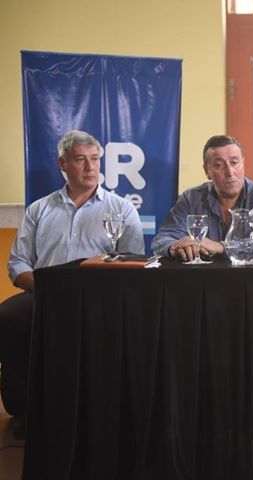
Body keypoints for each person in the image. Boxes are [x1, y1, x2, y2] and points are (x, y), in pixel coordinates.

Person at [0, 130, 145, 418]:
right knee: (7, 317)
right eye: (80, 159)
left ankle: (99, 410)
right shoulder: (39, 209)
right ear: (62, 164)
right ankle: (23, 410)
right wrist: (47, 289)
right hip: (44, 294)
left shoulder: (122, 209)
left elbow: (134, 262)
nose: (91, 167)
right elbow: (17, 263)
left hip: (98, 298)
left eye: (95, 159)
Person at [152, 135, 253, 260]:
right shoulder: (190, 198)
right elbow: (162, 240)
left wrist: (220, 247)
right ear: (207, 171)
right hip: (202, 277)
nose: (230, 172)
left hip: (252, 276)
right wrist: (177, 248)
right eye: (219, 165)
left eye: (234, 162)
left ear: (243, 164)